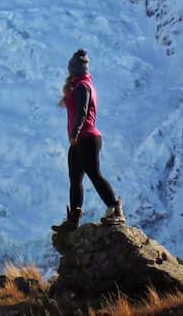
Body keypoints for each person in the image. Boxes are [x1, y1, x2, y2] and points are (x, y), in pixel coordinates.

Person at [52, 49, 125, 232]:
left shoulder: (83, 87)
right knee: (75, 178)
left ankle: (116, 210)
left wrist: (75, 132)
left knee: (93, 174)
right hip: (80, 140)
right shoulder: (80, 85)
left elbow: (83, 112)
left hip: (86, 138)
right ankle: (73, 219)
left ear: (74, 69)